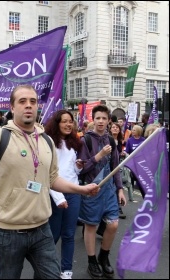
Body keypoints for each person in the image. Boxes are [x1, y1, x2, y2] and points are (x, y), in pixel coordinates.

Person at [0, 84, 99, 279]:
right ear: (12, 107)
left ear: (38, 107)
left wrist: (81, 189)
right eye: (22, 101)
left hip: (42, 230)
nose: (28, 105)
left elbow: (52, 178)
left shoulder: (47, 140)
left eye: (33, 101)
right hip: (9, 233)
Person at [78, 104, 126, 279]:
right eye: (97, 118)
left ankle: (103, 256)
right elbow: (81, 169)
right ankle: (92, 261)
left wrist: (120, 189)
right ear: (93, 119)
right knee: (91, 226)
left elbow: (116, 167)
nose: (101, 121)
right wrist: (98, 156)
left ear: (108, 121)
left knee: (113, 224)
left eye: (104, 118)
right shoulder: (85, 140)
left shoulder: (111, 140)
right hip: (92, 189)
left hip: (109, 190)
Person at [45, 110, 84, 279]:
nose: (68, 125)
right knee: (53, 235)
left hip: (73, 193)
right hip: (55, 195)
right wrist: (58, 198)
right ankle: (46, 268)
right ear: (56, 123)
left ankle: (66, 271)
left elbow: (72, 172)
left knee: (69, 235)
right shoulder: (48, 143)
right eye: (64, 121)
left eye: (71, 122)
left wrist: (78, 167)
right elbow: (48, 173)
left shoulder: (74, 142)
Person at [125, 125, 145, 198]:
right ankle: (131, 188)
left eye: (134, 130)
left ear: (138, 131)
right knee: (133, 176)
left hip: (141, 162)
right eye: (132, 130)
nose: (132, 131)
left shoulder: (143, 140)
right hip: (133, 162)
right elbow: (127, 151)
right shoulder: (130, 140)